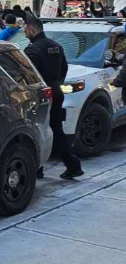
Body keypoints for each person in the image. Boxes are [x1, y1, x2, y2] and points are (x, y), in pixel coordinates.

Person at [23, 19, 83, 179]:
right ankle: (71, 165)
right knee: (56, 129)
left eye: (25, 30)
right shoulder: (56, 46)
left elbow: (29, 76)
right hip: (55, 91)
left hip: (41, 95)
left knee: (37, 130)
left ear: (32, 30)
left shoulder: (32, 50)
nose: (24, 32)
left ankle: (40, 168)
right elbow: (64, 68)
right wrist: (56, 84)